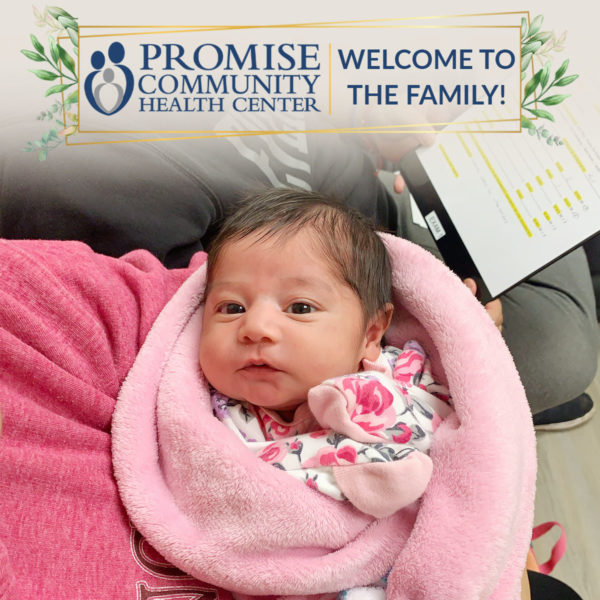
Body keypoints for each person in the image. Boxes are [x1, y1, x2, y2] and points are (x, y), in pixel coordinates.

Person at [199, 189, 453, 520]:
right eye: (232, 308)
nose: (255, 327)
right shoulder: (198, 411)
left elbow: (444, 453)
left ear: (371, 333)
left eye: (300, 308)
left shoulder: (402, 384)